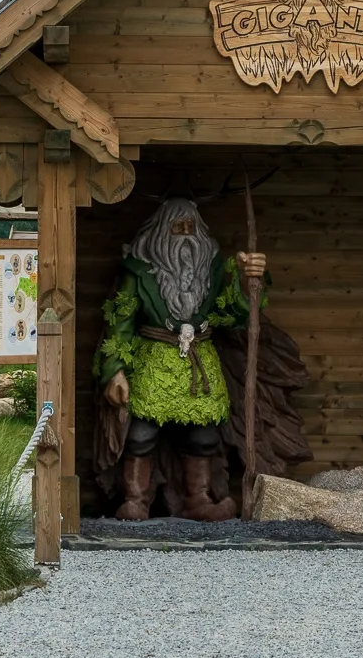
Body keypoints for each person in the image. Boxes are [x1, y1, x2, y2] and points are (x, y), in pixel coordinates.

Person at [95, 198, 267, 521]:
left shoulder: (213, 271)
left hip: (198, 365)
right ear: (160, 233)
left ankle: (198, 499)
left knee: (202, 435)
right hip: (152, 363)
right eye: (177, 228)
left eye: (191, 228)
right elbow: (120, 321)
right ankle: (135, 499)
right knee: (140, 432)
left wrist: (247, 282)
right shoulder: (138, 270)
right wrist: (114, 370)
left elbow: (232, 314)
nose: (185, 237)